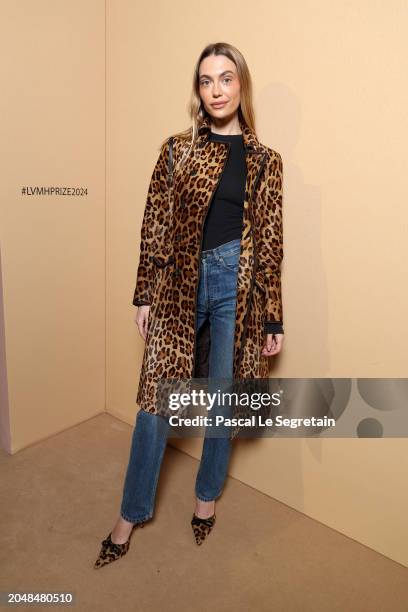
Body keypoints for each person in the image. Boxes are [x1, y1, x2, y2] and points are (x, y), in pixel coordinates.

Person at [94, 41, 284, 569]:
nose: (216, 89)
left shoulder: (266, 161)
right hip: (179, 282)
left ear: (240, 85)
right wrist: (143, 294)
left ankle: (205, 498)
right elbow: (154, 222)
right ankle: (129, 513)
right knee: (157, 402)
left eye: (226, 78)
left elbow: (270, 242)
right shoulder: (177, 150)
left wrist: (273, 316)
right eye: (206, 80)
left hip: (237, 285)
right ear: (197, 90)